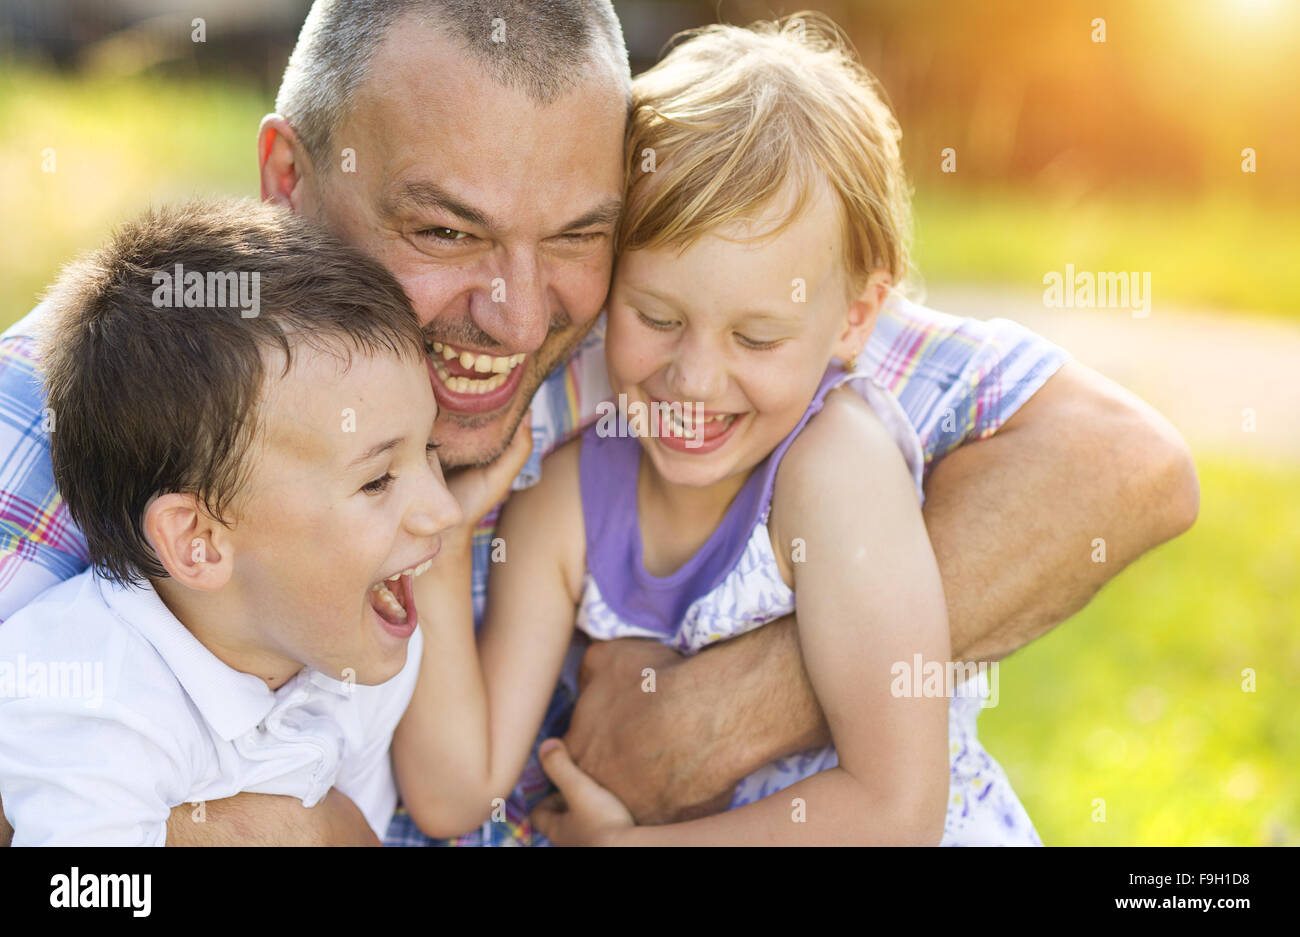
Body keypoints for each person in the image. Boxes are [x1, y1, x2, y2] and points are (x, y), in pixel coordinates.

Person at [0, 1, 1197, 846]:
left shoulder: (685, 339)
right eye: (445, 232)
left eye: (577, 234)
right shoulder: (113, 413)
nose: (518, 317)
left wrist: (726, 711)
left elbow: (1120, 464)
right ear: (286, 179)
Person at [392, 16, 1042, 846]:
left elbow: (894, 810)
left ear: (855, 318)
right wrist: (442, 554)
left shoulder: (834, 471)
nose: (694, 379)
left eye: (756, 337)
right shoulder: (570, 500)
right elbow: (454, 794)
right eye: (656, 315)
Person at [0, 200, 473, 844]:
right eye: (377, 479)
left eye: (430, 452)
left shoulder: (363, 644)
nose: (445, 511)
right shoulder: (93, 707)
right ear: (198, 542)